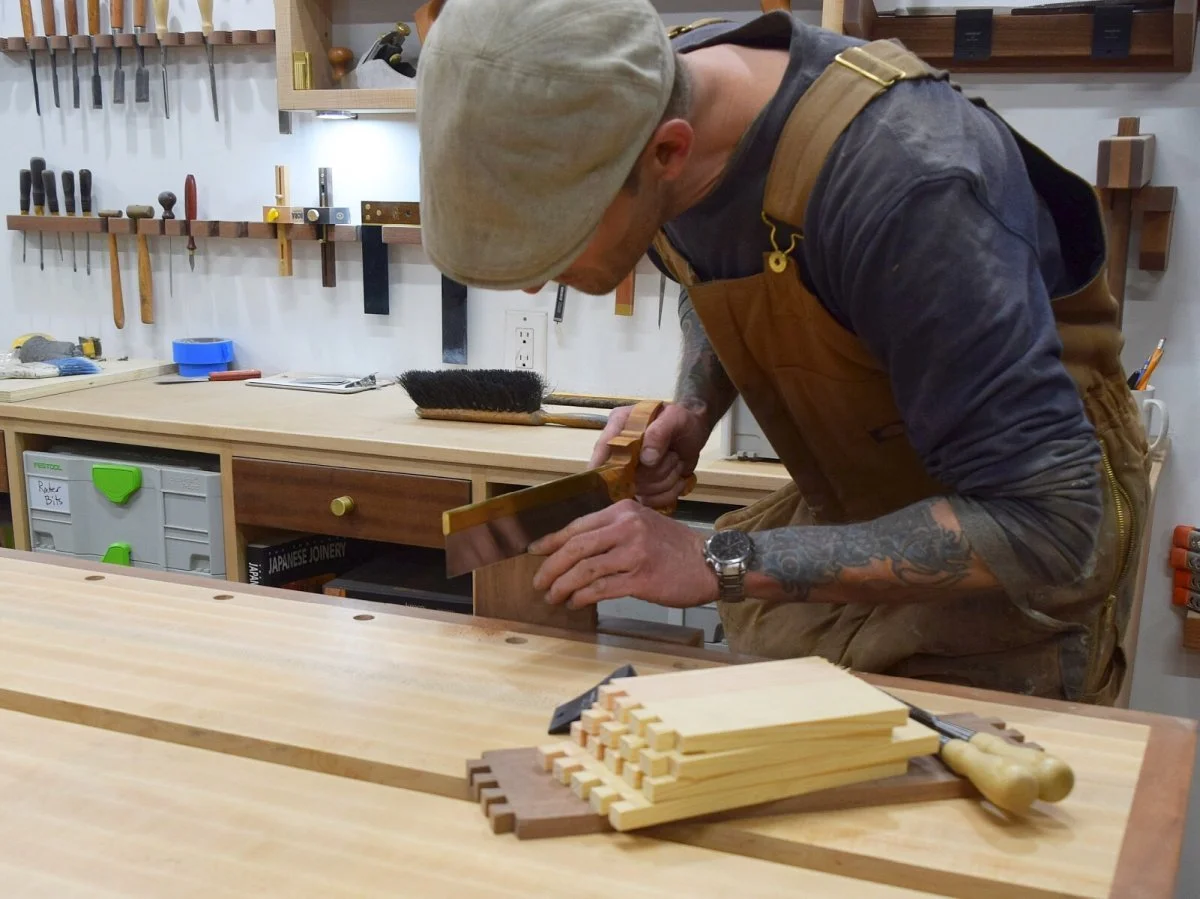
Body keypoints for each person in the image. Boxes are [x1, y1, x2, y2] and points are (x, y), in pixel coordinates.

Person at [415, 0, 1151, 703]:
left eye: (560, 243)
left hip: (1012, 567)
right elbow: (721, 256)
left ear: (669, 150)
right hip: (855, 506)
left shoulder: (909, 189)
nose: (538, 285)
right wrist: (695, 407)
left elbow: (1050, 525)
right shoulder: (654, 105)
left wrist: (715, 560)